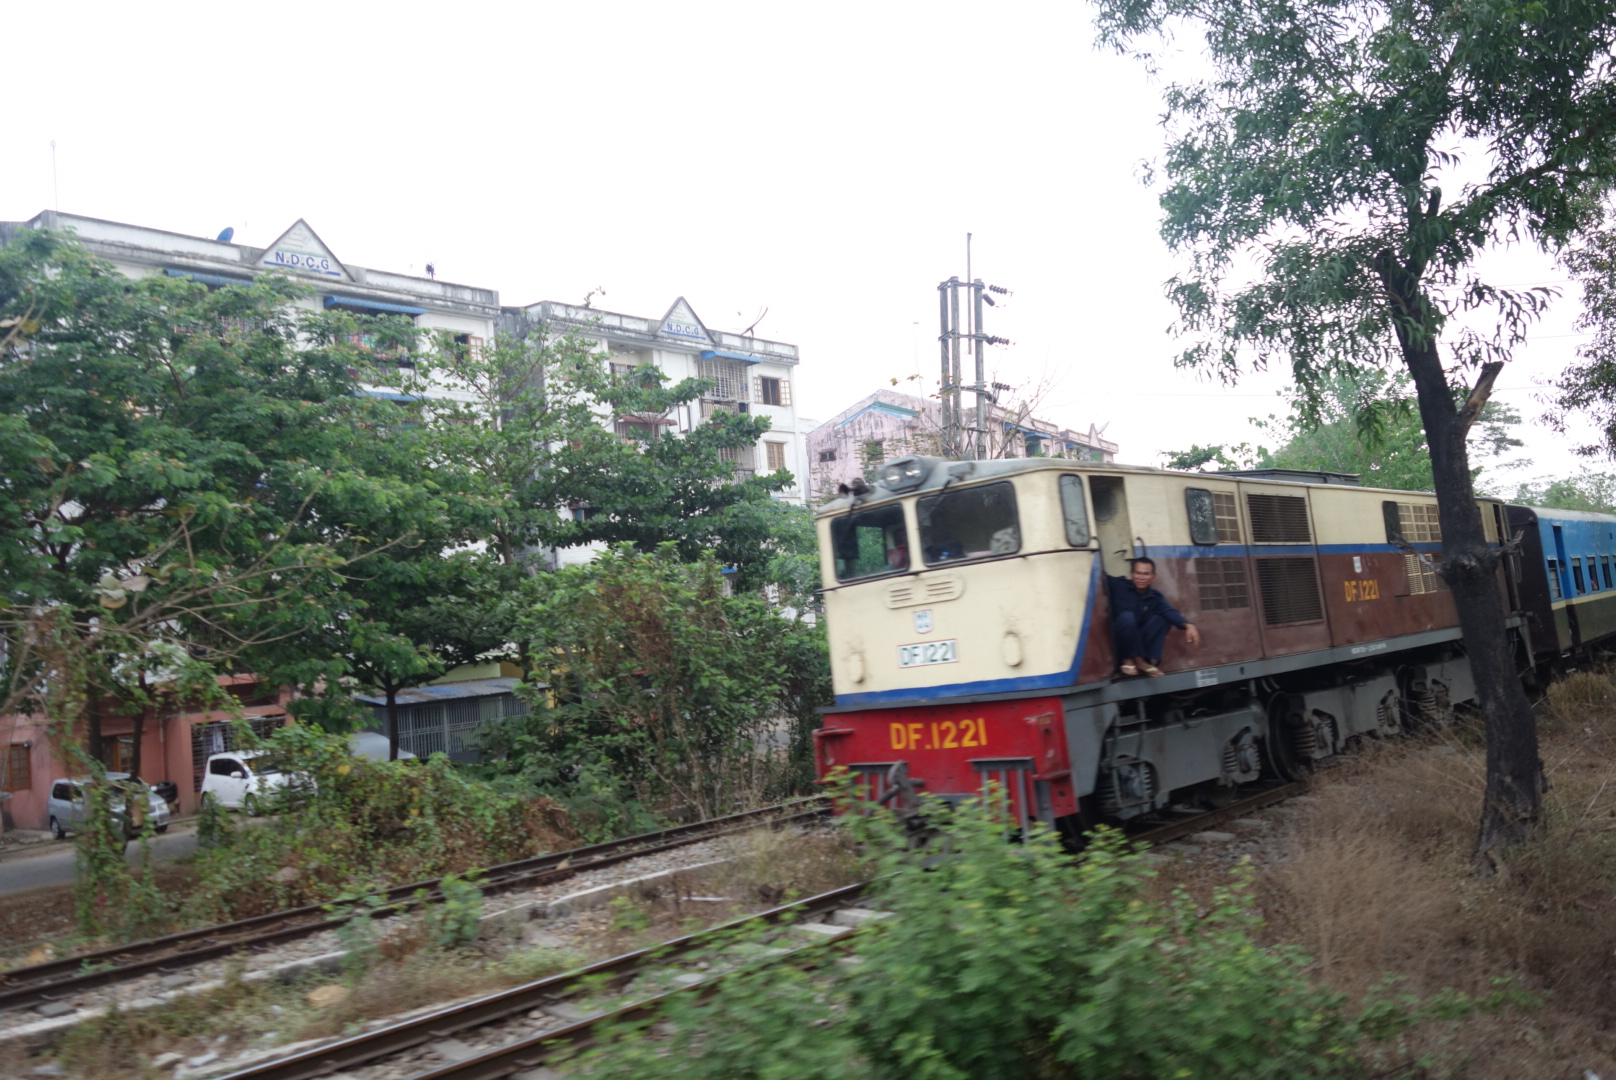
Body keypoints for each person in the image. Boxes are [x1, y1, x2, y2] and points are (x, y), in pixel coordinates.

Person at [1107, 557, 1201, 677]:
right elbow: (1097, 573)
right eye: (1138, 573)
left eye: (1146, 574)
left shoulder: (1155, 597)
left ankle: (1145, 659)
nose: (1141, 577)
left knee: (1164, 618)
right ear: (1132, 574)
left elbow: (1169, 611)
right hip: (1118, 643)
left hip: (1139, 641)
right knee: (1127, 617)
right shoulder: (1118, 585)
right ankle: (1133, 660)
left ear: (1153, 577)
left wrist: (1188, 625)